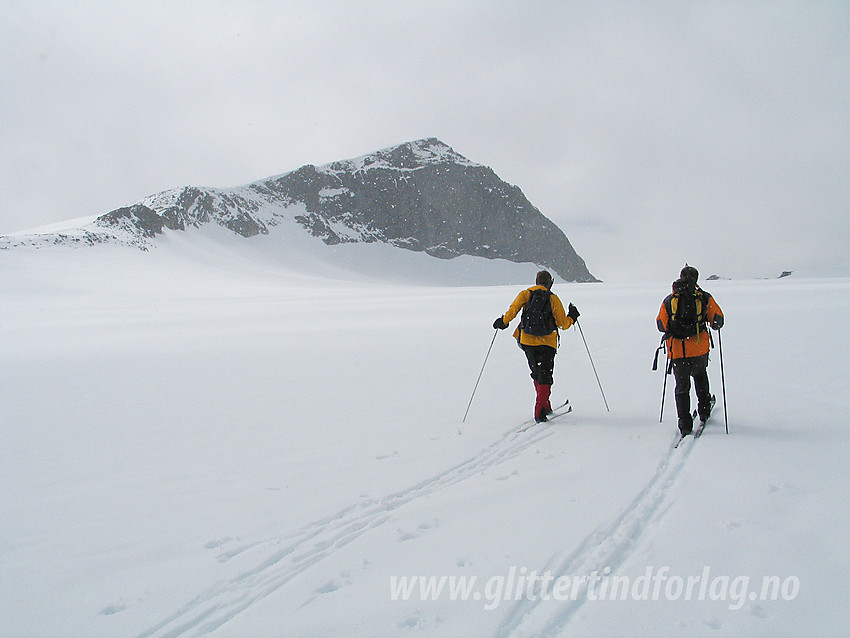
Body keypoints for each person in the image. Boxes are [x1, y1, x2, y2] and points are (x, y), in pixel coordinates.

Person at [493, 270, 580, 422]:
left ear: (536, 281)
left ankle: (545, 405)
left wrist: (503, 322)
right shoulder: (553, 298)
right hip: (547, 343)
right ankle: (540, 410)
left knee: (537, 373)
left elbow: (512, 311)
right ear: (549, 283)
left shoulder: (525, 294)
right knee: (545, 375)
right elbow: (562, 324)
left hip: (527, 341)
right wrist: (572, 316)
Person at [656, 265, 724, 436]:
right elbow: (718, 320)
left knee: (682, 387)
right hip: (699, 348)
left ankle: (684, 424)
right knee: (700, 377)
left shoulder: (670, 300)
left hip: (678, 351)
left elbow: (661, 324)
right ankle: (704, 410)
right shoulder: (703, 297)